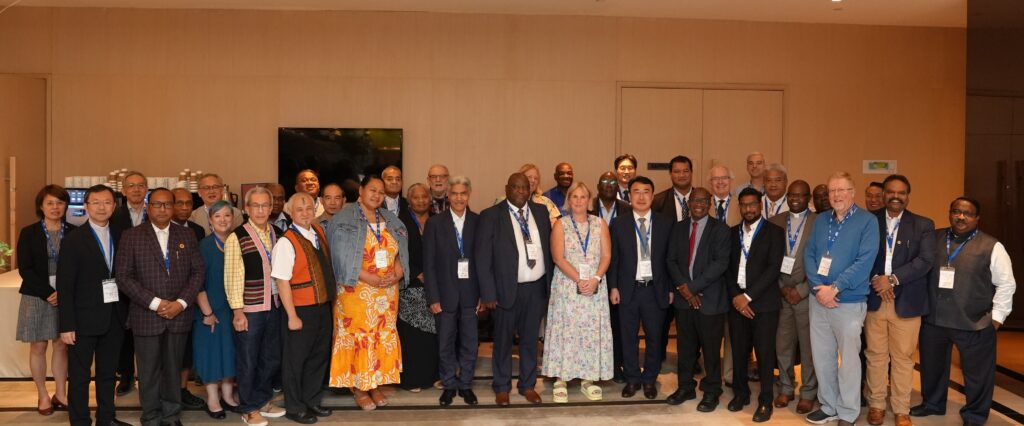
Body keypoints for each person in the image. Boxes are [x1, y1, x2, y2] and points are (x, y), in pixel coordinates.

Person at [912, 197, 1016, 426]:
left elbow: (1006, 284)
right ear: (949, 213)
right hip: (934, 320)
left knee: (977, 374)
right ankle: (932, 404)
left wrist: (997, 318)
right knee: (932, 368)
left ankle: (975, 415)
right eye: (956, 211)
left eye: (967, 214)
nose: (961, 217)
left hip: (974, 321)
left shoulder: (992, 246)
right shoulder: (934, 238)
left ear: (977, 218)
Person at [115, 188, 204, 426]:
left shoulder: (187, 235)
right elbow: (123, 277)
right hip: (146, 314)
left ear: (173, 207)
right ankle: (151, 416)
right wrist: (155, 303)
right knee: (148, 371)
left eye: (167, 204)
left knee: (173, 369)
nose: (162, 209)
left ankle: (171, 415)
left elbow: (197, 272)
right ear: (148, 207)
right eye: (157, 204)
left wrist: (181, 303)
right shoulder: (131, 236)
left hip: (178, 314)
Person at [327, 175, 409, 410]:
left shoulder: (390, 218)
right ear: (361, 190)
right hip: (356, 290)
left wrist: (399, 271)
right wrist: (367, 277)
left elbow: (401, 251)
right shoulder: (344, 218)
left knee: (380, 335)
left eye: (381, 192)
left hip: (386, 294)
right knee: (359, 337)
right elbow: (339, 257)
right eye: (372, 190)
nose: (377, 195)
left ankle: (374, 384)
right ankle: (359, 388)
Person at [804, 172, 879, 426]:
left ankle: (848, 411)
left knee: (848, 361)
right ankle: (828, 406)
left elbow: (864, 261)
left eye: (841, 190)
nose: (836, 195)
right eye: (832, 190)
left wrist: (834, 288)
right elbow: (809, 254)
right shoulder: (821, 220)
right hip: (818, 300)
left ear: (852, 192)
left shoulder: (867, 221)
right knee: (822, 357)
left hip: (848, 301)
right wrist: (818, 288)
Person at [864, 175, 936, 426]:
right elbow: (859, 255)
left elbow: (925, 260)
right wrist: (877, 279)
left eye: (901, 192)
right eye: (891, 192)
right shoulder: (868, 221)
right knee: (875, 356)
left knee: (903, 358)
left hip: (907, 301)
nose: (896, 196)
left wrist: (892, 279)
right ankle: (876, 405)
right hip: (875, 298)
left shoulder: (923, 224)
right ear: (883, 194)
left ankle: (901, 409)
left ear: (908, 196)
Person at [477, 173, 553, 405]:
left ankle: (527, 385)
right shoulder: (491, 215)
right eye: (516, 187)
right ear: (507, 188)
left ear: (530, 190)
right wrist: (488, 293)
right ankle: (502, 387)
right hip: (504, 290)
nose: (521, 191)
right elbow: (483, 258)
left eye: (525, 187)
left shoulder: (541, 212)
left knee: (530, 340)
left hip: (536, 288)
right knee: (503, 341)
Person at [58, 185, 131, 426]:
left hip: (115, 317)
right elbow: (65, 286)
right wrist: (66, 325)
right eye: (96, 202)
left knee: (108, 374)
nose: (102, 207)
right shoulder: (73, 239)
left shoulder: (123, 235)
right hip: (82, 320)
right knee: (79, 376)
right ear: (86, 206)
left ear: (114, 206)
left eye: (107, 202)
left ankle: (106, 418)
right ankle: (80, 420)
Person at [544, 181, 614, 403]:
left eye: (583, 197)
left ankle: (588, 378)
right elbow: (558, 258)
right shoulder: (560, 225)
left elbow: (606, 256)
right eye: (574, 196)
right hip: (568, 286)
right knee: (566, 329)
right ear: (568, 200)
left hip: (594, 287)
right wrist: (579, 279)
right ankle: (561, 378)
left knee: (590, 331)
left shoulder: (600, 224)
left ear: (589, 200)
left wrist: (595, 279)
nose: (578, 201)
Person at [271, 193, 336, 424]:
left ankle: (311, 400)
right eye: (299, 209)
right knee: (295, 361)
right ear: (290, 212)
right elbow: (282, 281)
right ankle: (295, 407)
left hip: (322, 307)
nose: (305, 213)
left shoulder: (318, 232)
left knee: (318, 357)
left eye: (309, 208)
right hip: (300, 310)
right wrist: (292, 316)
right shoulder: (286, 242)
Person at [225, 186, 287, 425]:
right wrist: (237, 311)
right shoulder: (237, 236)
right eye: (256, 206)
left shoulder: (278, 233)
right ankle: (249, 407)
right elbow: (232, 276)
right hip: (250, 309)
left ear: (271, 208)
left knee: (270, 357)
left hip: (275, 305)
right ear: (247, 208)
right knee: (248, 359)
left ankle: (263, 400)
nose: (261, 210)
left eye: (265, 205)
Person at [664, 187, 730, 411]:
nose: (698, 204)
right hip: (684, 301)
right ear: (688, 203)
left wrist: (692, 288)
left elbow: (720, 263)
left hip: (710, 300)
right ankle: (686, 387)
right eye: (694, 200)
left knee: (711, 350)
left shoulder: (721, 230)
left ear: (710, 204)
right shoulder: (678, 228)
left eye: (703, 200)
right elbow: (671, 260)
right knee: (685, 348)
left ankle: (712, 390)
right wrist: (685, 289)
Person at [608, 176, 671, 400]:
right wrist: (613, 287)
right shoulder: (619, 223)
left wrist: (671, 288)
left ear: (653, 196)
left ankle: (649, 379)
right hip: (628, 289)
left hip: (655, 289)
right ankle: (633, 378)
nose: (641, 197)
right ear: (629, 196)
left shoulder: (665, 223)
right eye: (636, 192)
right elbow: (614, 259)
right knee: (628, 337)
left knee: (655, 337)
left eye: (646, 192)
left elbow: (671, 259)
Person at [724, 188, 784, 422]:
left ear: (760, 205)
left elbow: (773, 268)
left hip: (764, 305)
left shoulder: (774, 232)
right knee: (739, 351)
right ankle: (741, 394)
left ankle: (765, 400)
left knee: (765, 354)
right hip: (736, 303)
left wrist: (747, 297)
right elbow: (727, 269)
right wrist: (736, 297)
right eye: (744, 205)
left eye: (752, 204)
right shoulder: (732, 233)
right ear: (739, 206)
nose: (748, 209)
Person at [17, 185, 74, 416]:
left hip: (66, 296)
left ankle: (61, 393)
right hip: (37, 296)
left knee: (62, 345)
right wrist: (48, 292)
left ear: (66, 206)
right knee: (38, 346)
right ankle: (42, 395)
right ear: (41, 206)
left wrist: (63, 292)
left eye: (60, 203)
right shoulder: (29, 232)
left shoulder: (74, 232)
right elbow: (25, 268)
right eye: (50, 203)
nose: (55, 207)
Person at [424, 176, 481, 407]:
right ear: (448, 195)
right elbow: (429, 264)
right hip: (444, 295)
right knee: (445, 343)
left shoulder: (478, 221)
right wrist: (433, 297)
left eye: (463, 193)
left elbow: (483, 261)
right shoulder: (435, 224)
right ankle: (448, 385)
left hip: (471, 294)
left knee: (470, 342)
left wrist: (482, 294)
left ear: (469, 195)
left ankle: (465, 384)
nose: (458, 198)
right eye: (454, 193)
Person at [767, 180, 818, 415]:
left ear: (808, 197)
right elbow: (768, 259)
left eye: (800, 195)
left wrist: (802, 290)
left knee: (808, 348)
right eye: (791, 195)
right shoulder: (775, 221)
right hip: (781, 295)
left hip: (807, 295)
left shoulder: (820, 223)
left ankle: (808, 393)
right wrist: (781, 287)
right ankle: (786, 387)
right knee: (782, 345)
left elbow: (824, 261)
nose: (795, 199)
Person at [193, 201, 240, 419]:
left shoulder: (237, 242)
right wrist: (207, 313)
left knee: (230, 353)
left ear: (233, 218)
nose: (223, 220)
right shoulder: (203, 246)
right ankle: (213, 399)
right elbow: (196, 284)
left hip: (233, 310)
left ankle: (228, 396)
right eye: (218, 216)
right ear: (210, 220)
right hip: (210, 311)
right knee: (211, 354)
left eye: (227, 215)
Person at [397, 183, 440, 392]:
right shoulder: (400, 222)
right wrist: (416, 273)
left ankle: (433, 376)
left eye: (424, 196)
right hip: (410, 285)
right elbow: (396, 251)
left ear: (430, 199)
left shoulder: (438, 220)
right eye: (416, 197)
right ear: (409, 200)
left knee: (434, 333)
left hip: (436, 284)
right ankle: (412, 379)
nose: (421, 200)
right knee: (412, 335)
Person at [169, 187, 208, 409]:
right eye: (179, 203)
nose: (184, 207)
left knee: (186, 350)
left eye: (188, 203)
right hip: (164, 301)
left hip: (191, 298)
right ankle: (168, 393)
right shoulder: (156, 229)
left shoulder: (197, 230)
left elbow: (199, 267)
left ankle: (183, 390)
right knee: (167, 352)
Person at [591, 171, 631, 383]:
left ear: (618, 187)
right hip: (592, 273)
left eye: (612, 182)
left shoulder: (628, 209)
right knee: (593, 323)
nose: (608, 185)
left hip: (619, 274)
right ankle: (592, 365)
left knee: (617, 324)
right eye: (604, 181)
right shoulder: (588, 207)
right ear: (598, 186)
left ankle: (616, 365)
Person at [110, 171, 147, 396]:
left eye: (140, 185)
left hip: (150, 280)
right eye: (131, 186)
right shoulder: (113, 215)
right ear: (123, 190)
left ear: (146, 189)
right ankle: (125, 376)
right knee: (123, 331)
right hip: (121, 280)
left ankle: (148, 377)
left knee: (148, 332)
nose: (136, 189)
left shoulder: (155, 213)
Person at [653, 155, 694, 222]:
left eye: (686, 171)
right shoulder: (657, 201)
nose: (682, 175)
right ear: (670, 174)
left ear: (691, 172)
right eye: (677, 172)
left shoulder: (703, 198)